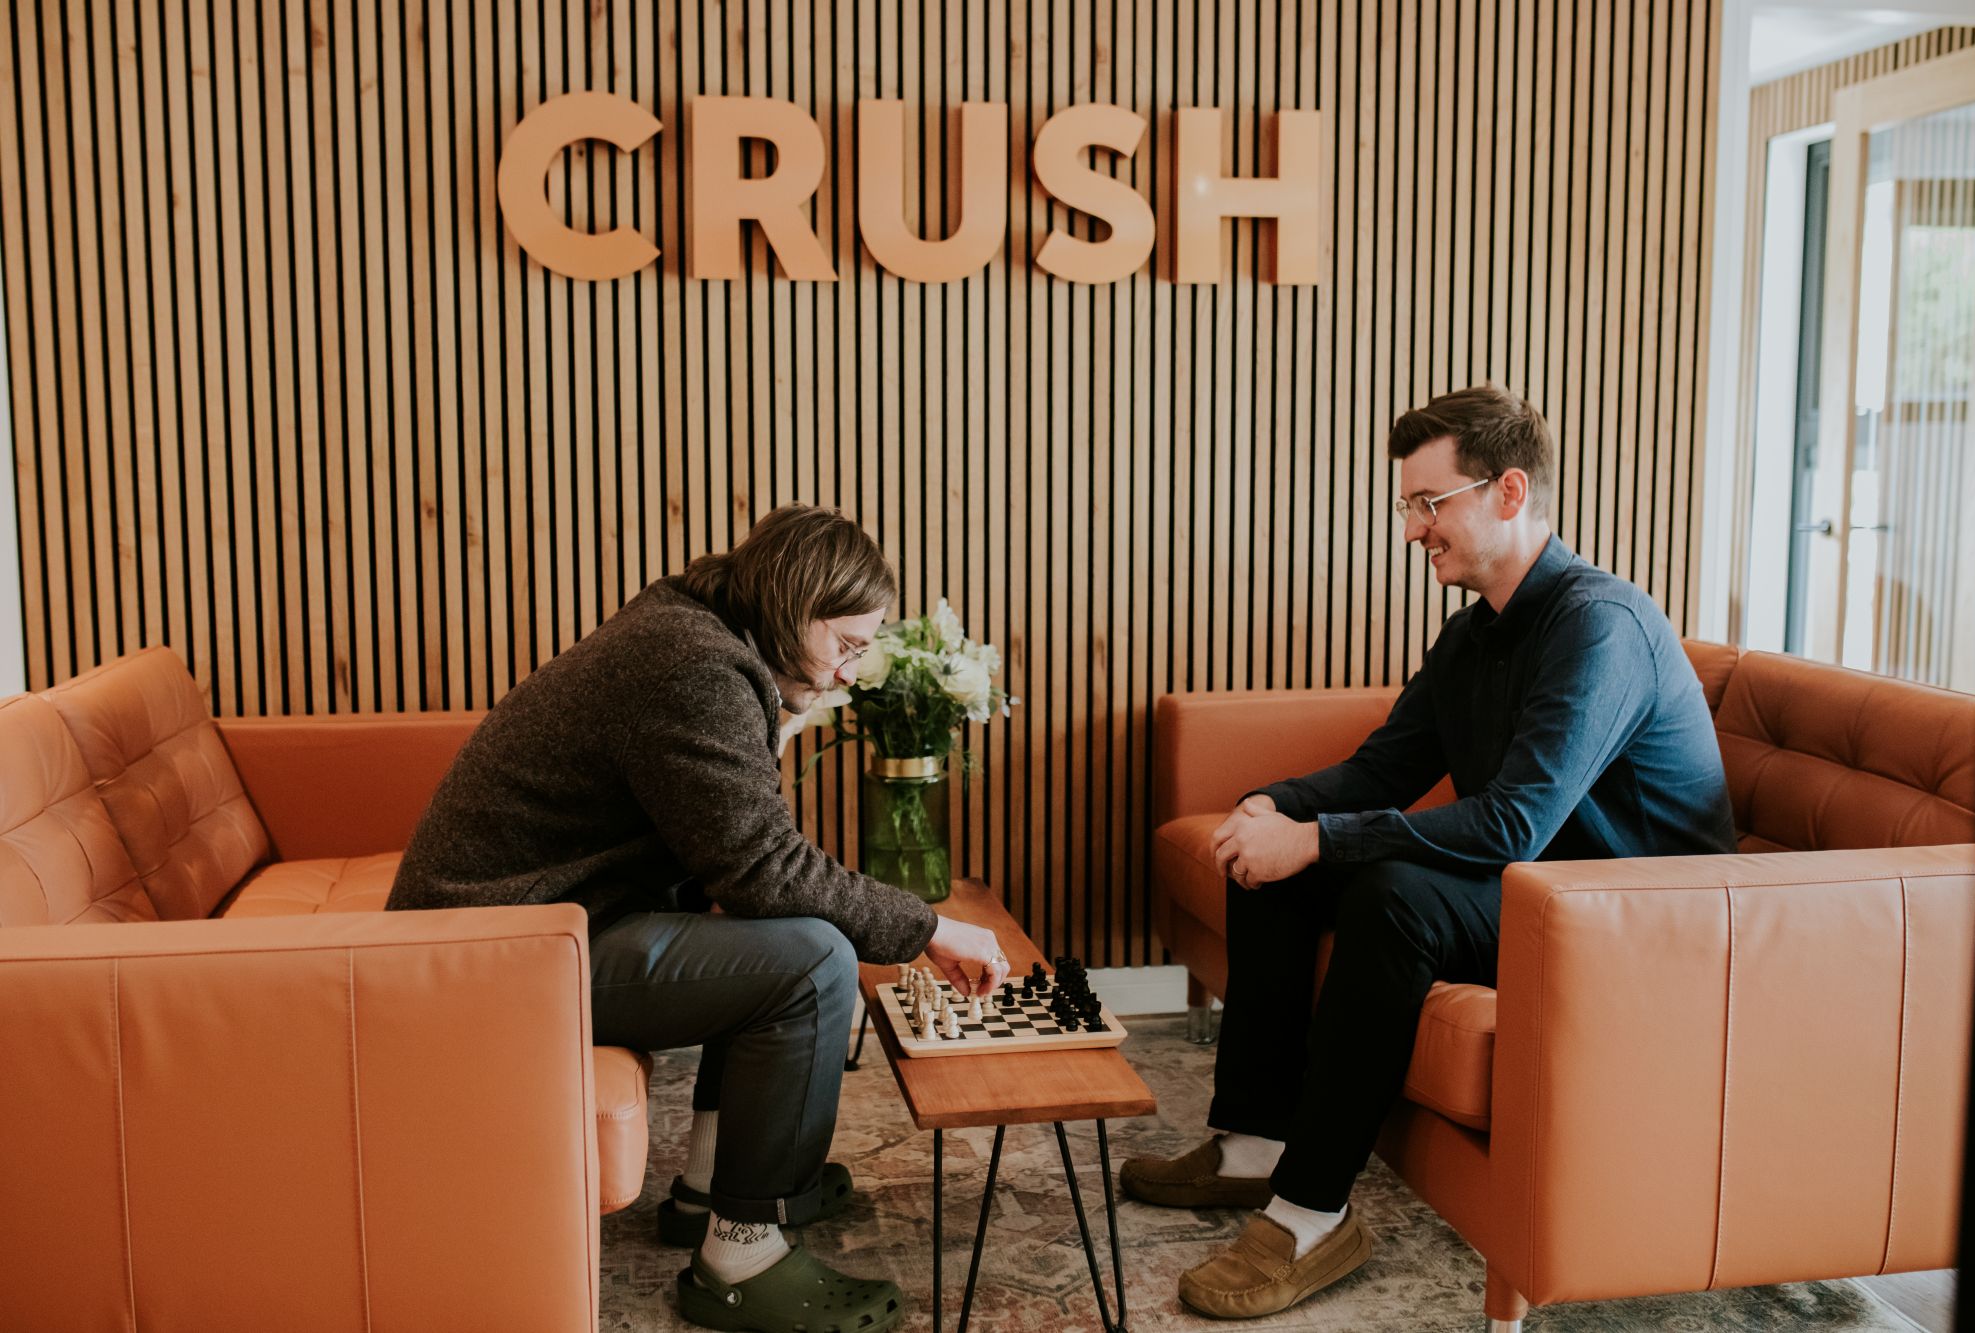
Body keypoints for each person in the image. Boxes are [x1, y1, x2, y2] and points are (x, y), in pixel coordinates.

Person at [1120, 385, 1736, 1320]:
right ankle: (1253, 1144)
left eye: (1429, 503)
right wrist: (1268, 810)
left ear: (1509, 491)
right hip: (1537, 890)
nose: (1414, 529)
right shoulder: (1474, 633)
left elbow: (1513, 823)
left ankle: (1314, 1214)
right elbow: (1384, 768)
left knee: (1389, 896)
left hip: (1631, 916)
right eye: (1409, 505)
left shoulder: (1597, 626)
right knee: (1272, 863)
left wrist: (1316, 837)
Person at [388, 504, 1007, 1333]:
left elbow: (742, 865)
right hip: (486, 956)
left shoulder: (701, 634)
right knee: (811, 959)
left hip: (531, 928)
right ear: (792, 610)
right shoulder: (693, 664)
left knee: (770, 929)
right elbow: (766, 867)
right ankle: (741, 1255)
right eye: (848, 645)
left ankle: (712, 1187)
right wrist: (930, 929)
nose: (854, 673)